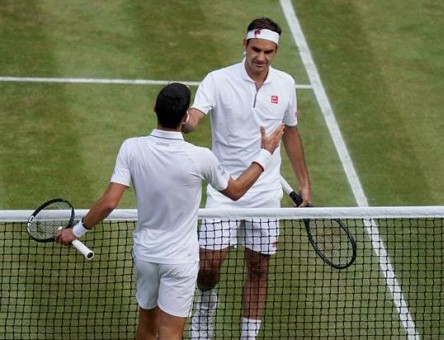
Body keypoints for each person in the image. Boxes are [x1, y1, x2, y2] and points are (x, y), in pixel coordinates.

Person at [54, 83, 284, 340]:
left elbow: (109, 202)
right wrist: (265, 153)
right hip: (181, 260)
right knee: (170, 334)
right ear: (186, 117)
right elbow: (238, 190)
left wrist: (76, 231)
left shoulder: (131, 148)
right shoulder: (201, 157)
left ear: (155, 108)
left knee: (146, 328)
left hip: (147, 256)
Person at [182, 17, 311, 339]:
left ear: (275, 51)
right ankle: (207, 301)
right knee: (209, 265)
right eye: (256, 49)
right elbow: (195, 117)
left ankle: (249, 335)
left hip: (266, 193)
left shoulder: (285, 84)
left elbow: (291, 132)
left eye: (268, 52)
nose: (261, 57)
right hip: (224, 189)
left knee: (259, 268)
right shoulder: (217, 80)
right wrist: (184, 122)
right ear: (244, 45)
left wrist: (304, 182)